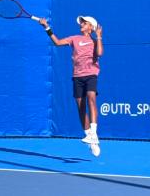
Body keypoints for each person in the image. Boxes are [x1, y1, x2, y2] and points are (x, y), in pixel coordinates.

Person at [39, 16, 103, 157]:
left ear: (91, 27)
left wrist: (98, 37)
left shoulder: (94, 40)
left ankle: (93, 132)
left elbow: (99, 53)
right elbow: (57, 42)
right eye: (81, 23)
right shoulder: (74, 38)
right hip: (77, 76)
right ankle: (91, 139)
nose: (81, 24)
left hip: (91, 74)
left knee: (91, 98)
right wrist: (46, 27)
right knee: (80, 107)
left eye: (84, 23)